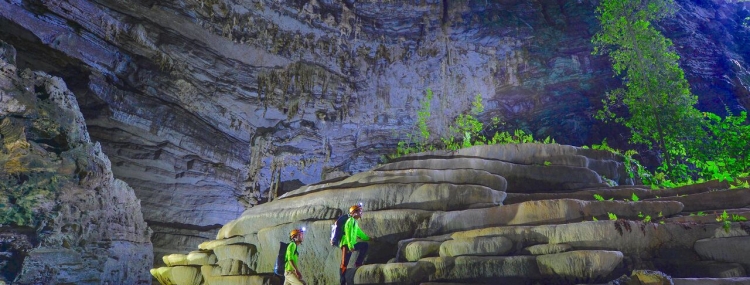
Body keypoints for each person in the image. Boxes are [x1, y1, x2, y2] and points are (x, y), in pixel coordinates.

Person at [340, 204, 370, 285]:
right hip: (346, 245)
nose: (361, 212)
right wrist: (350, 246)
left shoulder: (355, 222)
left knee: (365, 245)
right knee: (344, 264)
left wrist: (368, 238)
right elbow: (348, 233)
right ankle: (342, 283)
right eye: (359, 211)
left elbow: (359, 233)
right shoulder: (350, 221)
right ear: (354, 212)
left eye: (361, 211)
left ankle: (358, 263)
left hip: (352, 244)